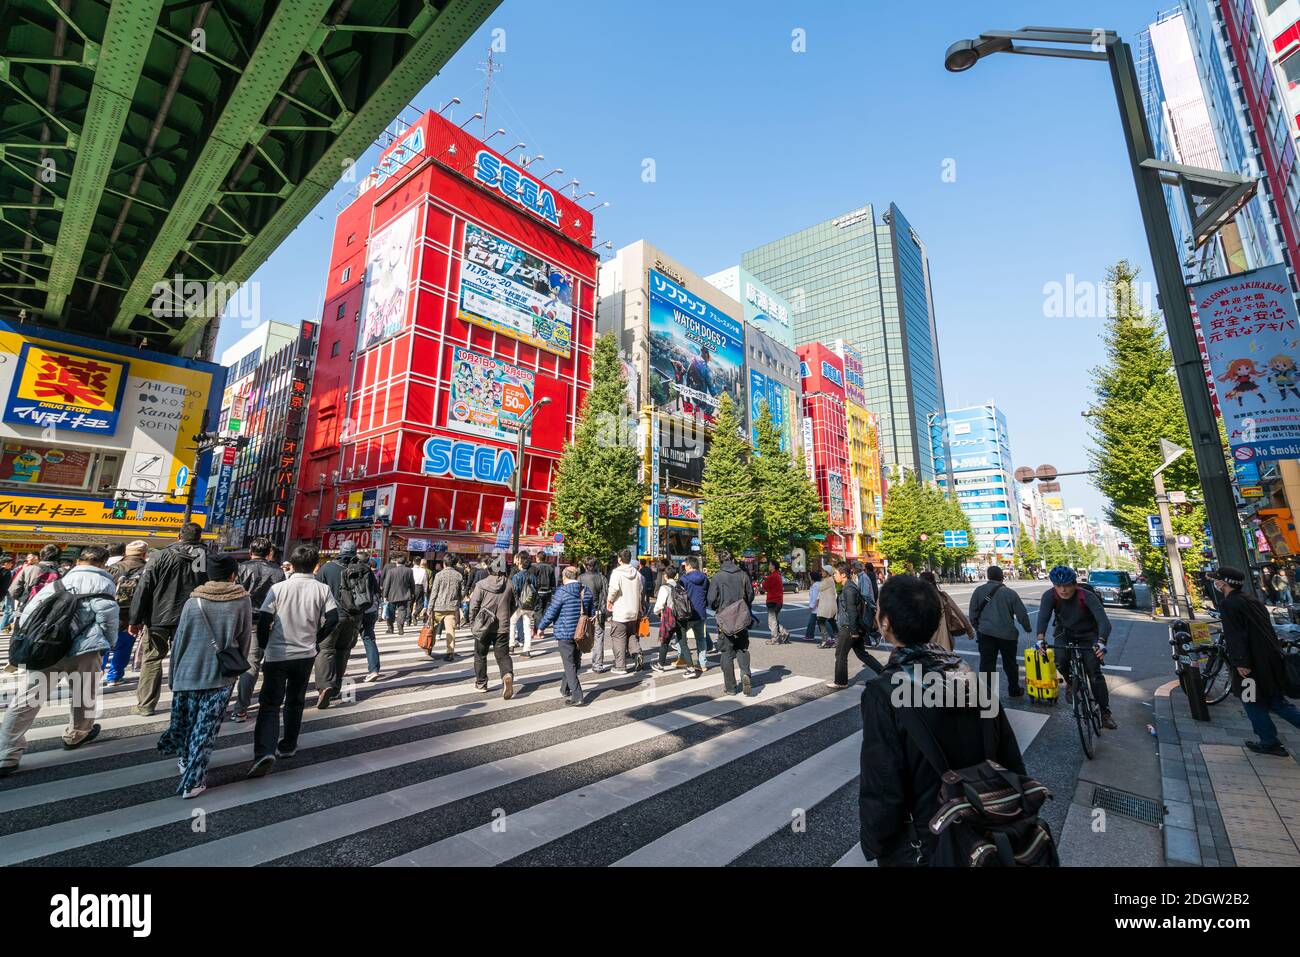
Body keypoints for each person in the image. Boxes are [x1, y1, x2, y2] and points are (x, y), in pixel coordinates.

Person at [858, 574, 1027, 866]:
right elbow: (1009, 757)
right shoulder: (969, 676)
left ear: (885, 623)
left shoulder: (884, 692)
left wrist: (876, 841)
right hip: (983, 828)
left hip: (926, 841)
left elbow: (883, 783)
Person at [0, 545, 116, 778]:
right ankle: (76, 734)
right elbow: (107, 618)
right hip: (84, 650)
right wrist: (107, 644)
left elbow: (31, 610)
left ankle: (7, 754)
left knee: (27, 698)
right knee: (84, 694)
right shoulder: (105, 585)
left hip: (47, 649)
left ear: (79, 561)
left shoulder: (58, 583)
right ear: (103, 563)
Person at [156, 553, 251, 799]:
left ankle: (185, 760)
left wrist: (173, 676)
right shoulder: (241, 600)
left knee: (187, 721)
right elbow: (244, 640)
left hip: (187, 670)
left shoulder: (193, 601)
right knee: (205, 729)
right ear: (233, 574)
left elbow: (179, 642)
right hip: (220, 673)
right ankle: (193, 781)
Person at [248, 545, 339, 778]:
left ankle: (264, 752)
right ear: (315, 565)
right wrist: (316, 639)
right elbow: (332, 618)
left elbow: (265, 617)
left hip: (277, 654)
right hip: (305, 654)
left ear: (292, 564)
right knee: (295, 701)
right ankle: (288, 745)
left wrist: (266, 644)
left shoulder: (279, 588)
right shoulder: (322, 589)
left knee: (269, 703)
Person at [1209, 566, 1300, 756]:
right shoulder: (1251, 600)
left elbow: (1235, 636)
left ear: (1223, 583)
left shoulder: (1229, 604)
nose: (1215, 583)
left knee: (1252, 701)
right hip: (1270, 660)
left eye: (1217, 580)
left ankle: (1269, 741)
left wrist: (1241, 662)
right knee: (1277, 701)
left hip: (1250, 666)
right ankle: (1269, 741)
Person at [127, 523, 208, 717]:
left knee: (153, 658)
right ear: (199, 537)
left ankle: (146, 704)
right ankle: (184, 703)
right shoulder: (207, 557)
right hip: (192, 616)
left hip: (158, 616)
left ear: (179, 535)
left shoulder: (160, 555)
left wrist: (135, 618)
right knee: (186, 660)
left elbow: (144, 587)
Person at [1037, 565, 1117, 730]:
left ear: (1074, 584)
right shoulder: (1049, 596)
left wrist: (1101, 642)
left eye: (1066, 585)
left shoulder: (1086, 596)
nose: (1063, 589)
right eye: (1058, 586)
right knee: (1060, 660)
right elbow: (1043, 618)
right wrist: (1040, 639)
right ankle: (1069, 682)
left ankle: (1105, 713)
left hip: (1088, 634)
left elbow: (1104, 622)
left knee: (1094, 672)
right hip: (1064, 632)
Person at [230, 538, 287, 721]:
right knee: (253, 663)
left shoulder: (241, 568)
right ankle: (241, 707)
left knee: (230, 660)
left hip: (238, 617)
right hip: (263, 620)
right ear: (269, 552)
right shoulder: (277, 572)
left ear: (250, 551)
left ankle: (226, 704)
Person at [314, 542, 372, 707]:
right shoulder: (363, 568)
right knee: (343, 651)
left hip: (331, 617)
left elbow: (317, 591)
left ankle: (325, 686)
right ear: (355, 552)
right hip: (354, 618)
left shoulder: (327, 568)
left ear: (339, 552)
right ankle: (336, 687)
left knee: (325, 651)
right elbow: (373, 592)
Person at [969, 565, 1032, 698]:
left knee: (987, 663)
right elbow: (1022, 614)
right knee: (1010, 663)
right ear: (1002, 577)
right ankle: (1014, 690)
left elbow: (973, 613)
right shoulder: (1010, 593)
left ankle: (986, 693)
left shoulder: (978, 591)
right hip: (1007, 635)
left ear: (988, 576)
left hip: (985, 633)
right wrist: (1027, 628)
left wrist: (977, 627)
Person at [536, 565, 592, 705]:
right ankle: (564, 688)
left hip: (565, 631)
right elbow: (591, 610)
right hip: (581, 633)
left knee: (569, 664)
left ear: (564, 577)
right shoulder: (586, 590)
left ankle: (577, 696)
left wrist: (541, 627)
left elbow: (552, 611)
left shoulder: (561, 592)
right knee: (574, 662)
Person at [707, 549, 756, 696]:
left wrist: (718, 606)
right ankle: (745, 673)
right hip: (741, 617)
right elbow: (750, 595)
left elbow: (710, 600)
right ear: (733, 559)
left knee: (726, 652)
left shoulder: (717, 577)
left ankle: (731, 687)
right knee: (742, 648)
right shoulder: (743, 575)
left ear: (721, 561)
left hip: (725, 618)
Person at [468, 557, 516, 698]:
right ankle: (507, 675)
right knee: (503, 655)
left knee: (480, 655)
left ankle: (481, 683)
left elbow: (473, 606)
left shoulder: (481, 584)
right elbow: (514, 604)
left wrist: (473, 623)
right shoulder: (509, 584)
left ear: (489, 569)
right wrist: (507, 615)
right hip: (502, 626)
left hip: (483, 625)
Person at [104, 541, 148, 685]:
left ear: (125, 554)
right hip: (132, 616)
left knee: (103, 646)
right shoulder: (147, 569)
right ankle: (114, 676)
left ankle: (96, 673)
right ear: (144, 554)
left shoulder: (112, 568)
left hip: (109, 612)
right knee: (124, 646)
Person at [828, 562, 876, 689]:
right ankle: (885, 673)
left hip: (849, 627)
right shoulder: (849, 586)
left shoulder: (849, 589)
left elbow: (852, 610)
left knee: (840, 655)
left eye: (835, 573)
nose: (834, 575)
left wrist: (854, 631)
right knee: (862, 654)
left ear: (843, 574)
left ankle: (840, 681)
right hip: (854, 626)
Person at [606, 548, 644, 673]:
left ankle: (620, 666)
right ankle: (637, 654)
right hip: (634, 610)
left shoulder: (616, 573)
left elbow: (613, 590)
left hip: (620, 611)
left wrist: (609, 601)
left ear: (619, 559)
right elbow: (640, 591)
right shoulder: (637, 573)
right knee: (632, 635)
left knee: (618, 637)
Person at [919, 571, 970, 652]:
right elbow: (957, 611)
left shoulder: (916, 599)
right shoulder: (942, 596)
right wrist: (969, 629)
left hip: (922, 643)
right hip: (943, 640)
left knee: (918, 663)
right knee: (943, 662)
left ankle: (918, 665)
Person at [429, 554, 466, 662]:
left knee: (433, 629)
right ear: (454, 564)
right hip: (452, 607)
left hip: (438, 607)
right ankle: (450, 652)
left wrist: (429, 608)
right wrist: (458, 599)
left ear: (444, 563)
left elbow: (434, 593)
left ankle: (429, 647)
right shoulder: (459, 575)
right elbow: (462, 592)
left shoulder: (439, 575)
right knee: (451, 630)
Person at [579, 557, 610, 673]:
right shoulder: (602, 578)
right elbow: (605, 595)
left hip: (583, 613)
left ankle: (577, 662)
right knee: (598, 638)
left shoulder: (580, 578)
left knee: (579, 636)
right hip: (597, 612)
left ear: (584, 565)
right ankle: (597, 665)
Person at [680, 557, 711, 672]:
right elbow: (708, 593)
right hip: (701, 612)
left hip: (686, 612)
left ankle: (682, 658)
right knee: (701, 638)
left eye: (685, 565)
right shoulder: (704, 578)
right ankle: (702, 663)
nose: (685, 567)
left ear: (689, 566)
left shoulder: (684, 579)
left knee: (681, 636)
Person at [509, 551, 539, 656]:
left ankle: (511, 645)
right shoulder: (533, 577)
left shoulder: (516, 576)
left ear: (521, 563)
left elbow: (514, 591)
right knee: (527, 626)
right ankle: (527, 649)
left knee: (512, 623)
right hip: (530, 605)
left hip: (519, 605)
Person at [380, 555, 415, 636]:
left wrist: (384, 595)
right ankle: (400, 627)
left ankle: (390, 628)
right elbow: (412, 583)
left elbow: (387, 584)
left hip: (392, 595)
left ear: (396, 562)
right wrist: (412, 593)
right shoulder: (409, 571)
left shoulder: (391, 571)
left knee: (391, 612)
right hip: (404, 595)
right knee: (402, 611)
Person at [762, 558, 787, 645]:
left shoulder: (772, 576)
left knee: (772, 620)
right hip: (778, 600)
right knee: (775, 619)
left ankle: (774, 639)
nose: (768, 566)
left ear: (773, 566)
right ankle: (783, 632)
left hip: (773, 600)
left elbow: (764, 586)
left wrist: (764, 580)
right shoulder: (777, 575)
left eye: (769, 565)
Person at [815, 565, 839, 649]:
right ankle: (837, 641)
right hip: (829, 604)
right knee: (832, 622)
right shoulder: (828, 580)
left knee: (820, 620)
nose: (822, 572)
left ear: (828, 572)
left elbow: (819, 588)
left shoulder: (828, 580)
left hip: (827, 605)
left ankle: (825, 641)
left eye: (823, 571)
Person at [532, 555, 556, 634]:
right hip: (548, 592)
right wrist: (553, 591)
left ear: (537, 558)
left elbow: (532, 580)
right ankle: (542, 628)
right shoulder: (550, 568)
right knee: (545, 610)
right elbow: (553, 581)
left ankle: (539, 630)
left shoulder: (534, 567)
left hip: (538, 591)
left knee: (538, 611)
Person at [411, 557, 430, 625]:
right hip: (419, 587)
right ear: (420, 563)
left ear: (413, 562)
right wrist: (425, 590)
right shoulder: (423, 571)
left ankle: (408, 619)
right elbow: (425, 581)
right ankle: (415, 614)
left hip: (411, 587)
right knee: (420, 604)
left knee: (410, 603)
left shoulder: (410, 570)